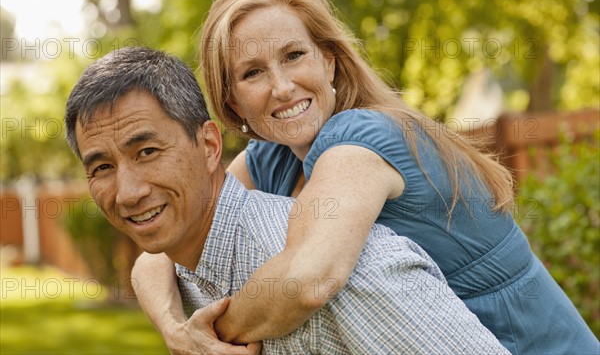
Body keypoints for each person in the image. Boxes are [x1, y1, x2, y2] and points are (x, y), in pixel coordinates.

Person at [132, 0, 600, 355]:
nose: (282, 87)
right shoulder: (271, 156)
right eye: (253, 72)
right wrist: (176, 330)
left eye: (294, 56)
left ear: (329, 62)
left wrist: (211, 335)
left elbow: (307, 281)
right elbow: (165, 246)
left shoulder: (361, 141)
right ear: (232, 103)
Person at [64, 47, 510, 355]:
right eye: (101, 167)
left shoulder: (351, 272)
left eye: (147, 152)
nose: (128, 192)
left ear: (208, 147)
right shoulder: (189, 265)